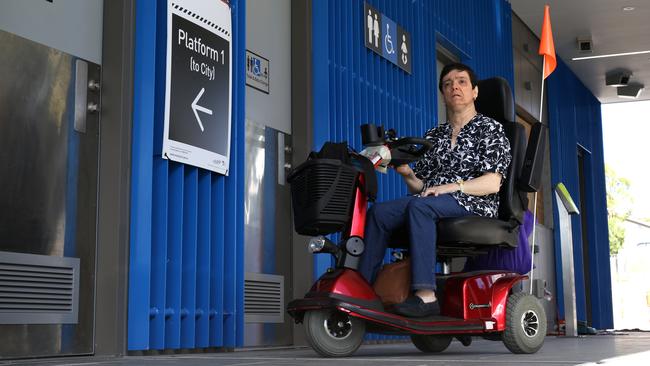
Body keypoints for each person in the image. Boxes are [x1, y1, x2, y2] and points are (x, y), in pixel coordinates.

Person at [358, 63, 512, 317]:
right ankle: (363, 291)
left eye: (462, 81)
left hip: (474, 203)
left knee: (420, 207)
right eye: (448, 83)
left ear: (474, 92)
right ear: (443, 94)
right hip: (435, 201)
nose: (454, 87)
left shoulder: (491, 129)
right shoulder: (435, 135)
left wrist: (452, 187)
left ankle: (426, 296)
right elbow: (424, 187)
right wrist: (408, 174)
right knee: (380, 212)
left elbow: (492, 183)